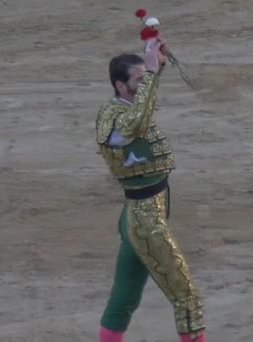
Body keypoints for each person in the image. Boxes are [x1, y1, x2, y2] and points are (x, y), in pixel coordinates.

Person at [94, 37, 206, 342]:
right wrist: (153, 73)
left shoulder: (127, 106)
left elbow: (144, 104)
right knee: (187, 298)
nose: (144, 84)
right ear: (120, 86)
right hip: (145, 219)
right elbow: (138, 119)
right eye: (138, 80)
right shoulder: (115, 121)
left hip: (142, 212)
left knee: (125, 297)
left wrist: (157, 66)